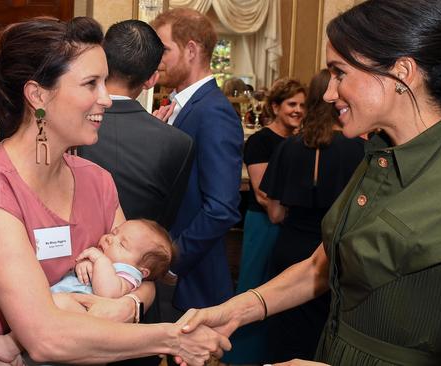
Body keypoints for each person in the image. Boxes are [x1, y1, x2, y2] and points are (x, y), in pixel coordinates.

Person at [179, 1, 441, 365]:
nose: (329, 93)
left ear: (403, 72)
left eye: (340, 73)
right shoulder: (380, 159)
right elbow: (322, 265)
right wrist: (235, 311)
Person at [0, 16, 229, 366]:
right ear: (38, 96)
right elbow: (45, 338)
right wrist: (169, 336)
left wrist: (126, 305)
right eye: (91, 83)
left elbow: (144, 275)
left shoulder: (97, 180)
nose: (106, 99)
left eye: (104, 82)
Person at [260, 70, 364, 362]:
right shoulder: (359, 150)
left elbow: (276, 213)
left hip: (290, 249)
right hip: (334, 253)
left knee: (283, 332)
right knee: (324, 335)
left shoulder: (288, 146)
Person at [0, 219, 175, 365]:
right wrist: (86, 264)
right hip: (48, 323)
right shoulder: (111, 260)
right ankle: (7, 351)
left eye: (122, 243)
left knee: (54, 307)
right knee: (3, 355)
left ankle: (10, 344)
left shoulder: (129, 274)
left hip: (79, 317)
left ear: (142, 271)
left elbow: (108, 293)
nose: (111, 239)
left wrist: (98, 260)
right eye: (114, 232)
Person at [151, 9, 243, 314]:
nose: (157, 59)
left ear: (191, 50)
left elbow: (221, 208)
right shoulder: (181, 105)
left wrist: (174, 260)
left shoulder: (213, 112)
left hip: (190, 278)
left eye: (164, 50)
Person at [78, 19, 193, 231]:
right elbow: (165, 221)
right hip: (136, 257)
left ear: (102, 60)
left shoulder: (70, 123)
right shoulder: (177, 143)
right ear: (151, 80)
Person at [222, 77, 306, 364]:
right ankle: (242, 357)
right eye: (291, 104)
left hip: (288, 224)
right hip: (265, 224)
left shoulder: (301, 142)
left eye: (303, 105)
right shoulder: (261, 141)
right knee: (256, 286)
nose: (298, 110)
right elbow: (261, 193)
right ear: (275, 106)